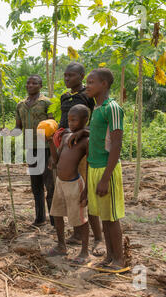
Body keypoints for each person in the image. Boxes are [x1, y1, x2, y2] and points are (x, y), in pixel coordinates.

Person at [58, 62, 105, 257]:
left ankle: (98, 238)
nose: (67, 79)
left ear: (81, 76)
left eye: (71, 76)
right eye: (65, 76)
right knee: (70, 194)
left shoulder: (89, 95)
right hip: (67, 146)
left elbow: (96, 122)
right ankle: (77, 234)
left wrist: (83, 132)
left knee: (86, 194)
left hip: (83, 146)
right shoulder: (64, 96)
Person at [84, 68, 126, 270]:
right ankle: (110, 256)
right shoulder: (97, 108)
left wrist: (105, 177)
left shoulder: (113, 108)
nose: (87, 85)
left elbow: (116, 144)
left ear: (104, 85)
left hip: (106, 169)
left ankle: (119, 259)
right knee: (104, 216)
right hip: (94, 168)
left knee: (112, 217)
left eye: (91, 82)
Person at [1, 75, 55, 226]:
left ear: (40, 85)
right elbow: (19, 128)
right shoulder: (20, 105)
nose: (30, 85)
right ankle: (39, 219)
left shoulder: (46, 103)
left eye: (34, 83)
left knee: (50, 185)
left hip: (45, 148)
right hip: (31, 148)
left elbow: (53, 126)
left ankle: (54, 220)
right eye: (28, 83)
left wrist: (53, 153)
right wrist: (9, 133)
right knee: (36, 185)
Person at [47, 104, 90, 264]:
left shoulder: (86, 140)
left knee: (80, 219)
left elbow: (89, 165)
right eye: (69, 120)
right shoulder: (65, 136)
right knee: (57, 213)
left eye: (75, 120)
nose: (71, 124)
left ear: (85, 120)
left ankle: (85, 252)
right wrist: (51, 142)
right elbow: (57, 160)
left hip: (74, 184)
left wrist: (86, 190)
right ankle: (61, 245)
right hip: (60, 182)